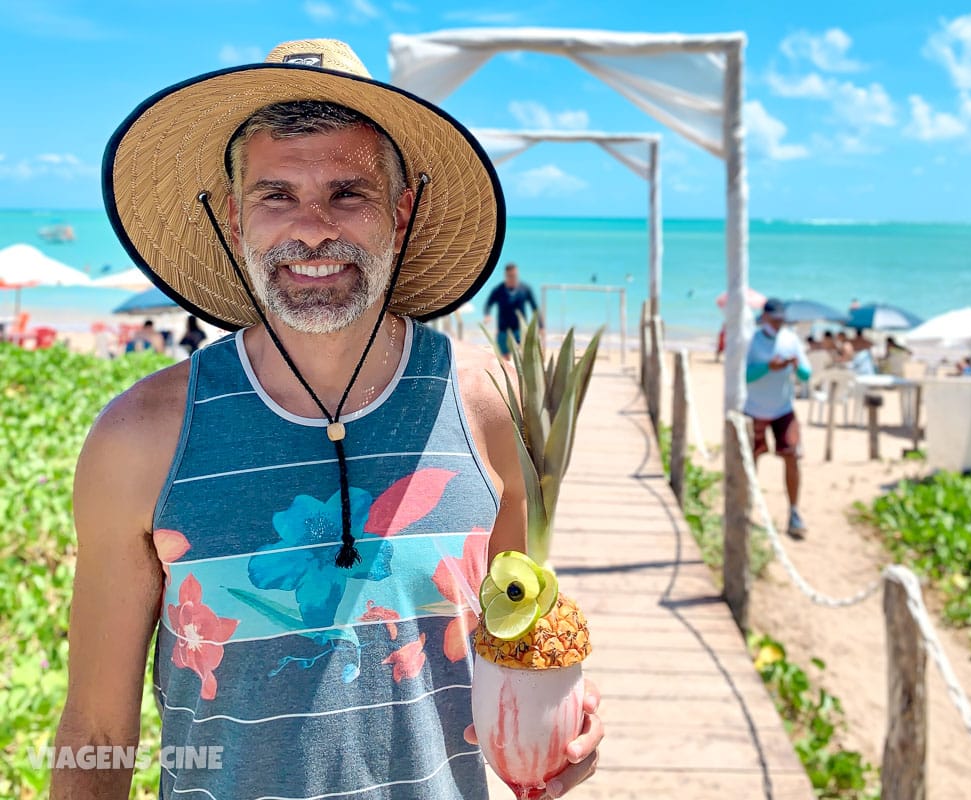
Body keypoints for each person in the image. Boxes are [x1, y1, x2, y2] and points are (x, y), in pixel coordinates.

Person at [53, 39, 601, 800]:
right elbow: (96, 734)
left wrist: (555, 717)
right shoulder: (138, 438)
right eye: (277, 195)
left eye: (349, 193)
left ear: (402, 213)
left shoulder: (489, 407)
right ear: (236, 215)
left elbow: (515, 635)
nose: (312, 230)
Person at [745, 299, 812, 537]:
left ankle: (794, 511)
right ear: (764, 317)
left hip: (783, 409)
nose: (778, 323)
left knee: (792, 457)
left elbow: (806, 375)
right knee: (750, 461)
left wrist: (796, 366)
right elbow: (744, 376)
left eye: (781, 318)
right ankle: (745, 508)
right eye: (775, 318)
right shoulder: (751, 340)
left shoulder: (791, 339)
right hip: (753, 410)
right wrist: (767, 367)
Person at [483, 262, 542, 360]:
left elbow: (534, 308)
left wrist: (541, 326)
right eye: (510, 276)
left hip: (519, 330)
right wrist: (487, 315)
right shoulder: (498, 290)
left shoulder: (525, 289)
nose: (513, 278)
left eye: (514, 276)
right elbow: (488, 304)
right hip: (503, 330)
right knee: (505, 360)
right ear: (506, 275)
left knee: (523, 357)